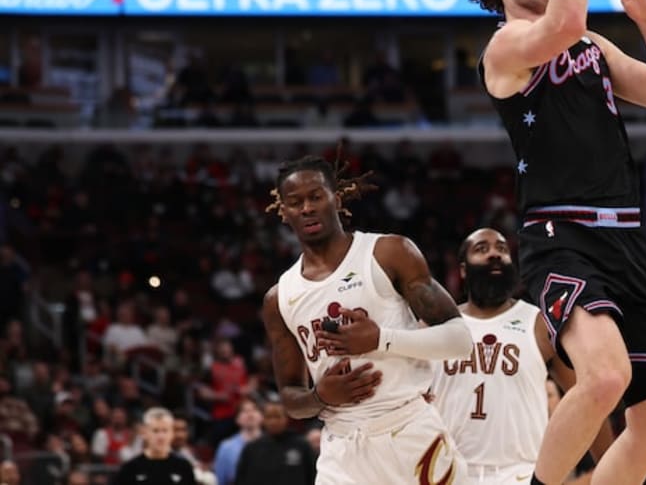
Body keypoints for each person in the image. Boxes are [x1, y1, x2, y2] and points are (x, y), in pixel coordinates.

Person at [455, 0, 646, 485]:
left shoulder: (590, 43)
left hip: (627, 242)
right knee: (605, 376)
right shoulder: (505, 48)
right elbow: (564, 21)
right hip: (562, 237)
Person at [260, 154, 473, 485]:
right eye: (295, 202)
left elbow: (460, 340)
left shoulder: (388, 253)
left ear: (337, 197)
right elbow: (291, 398)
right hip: (342, 451)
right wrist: (320, 398)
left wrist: (381, 340)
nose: (306, 208)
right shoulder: (279, 298)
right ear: (283, 213)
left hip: (409, 433)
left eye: (316, 196)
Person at [429, 228, 613, 483]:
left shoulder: (538, 322)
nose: (494, 254)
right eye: (482, 249)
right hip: (445, 473)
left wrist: (610, 466)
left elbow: (586, 399)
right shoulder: (437, 325)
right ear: (462, 269)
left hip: (520, 474)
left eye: (502, 249)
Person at [233, 400, 316, 485]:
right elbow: (241, 480)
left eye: (277, 417)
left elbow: (313, 477)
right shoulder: (251, 449)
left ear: (286, 418)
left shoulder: (302, 446)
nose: (273, 422)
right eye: (269, 417)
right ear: (263, 419)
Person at [112, 407, 196, 485]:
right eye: (155, 431)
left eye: (165, 431)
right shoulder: (130, 469)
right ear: (144, 433)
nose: (161, 436)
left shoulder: (183, 467)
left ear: (172, 433)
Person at [213, 399, 263, 485]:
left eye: (254, 410)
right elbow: (220, 480)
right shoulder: (226, 447)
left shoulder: (273, 444)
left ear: (262, 416)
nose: (250, 414)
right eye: (244, 411)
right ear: (237, 419)